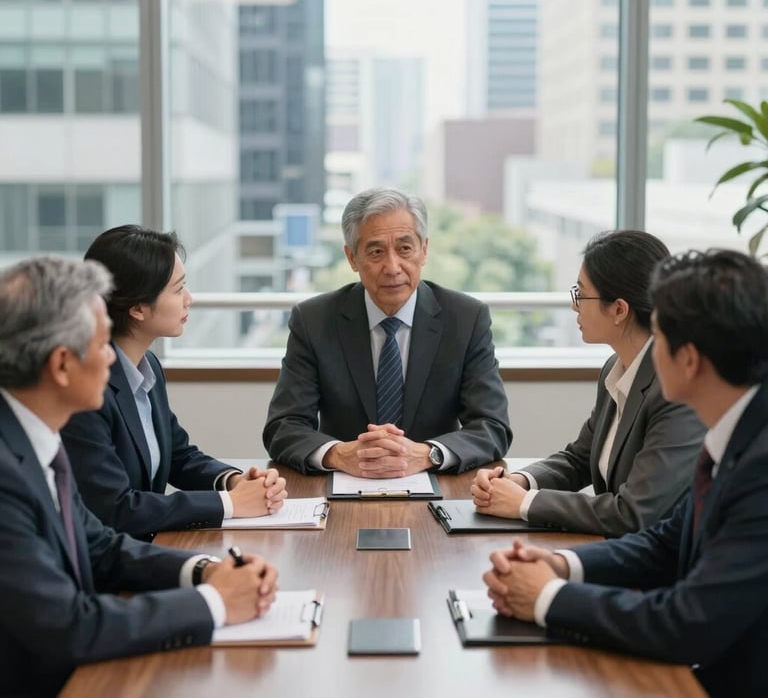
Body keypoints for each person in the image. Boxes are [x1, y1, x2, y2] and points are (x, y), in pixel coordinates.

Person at [482, 249, 768, 698]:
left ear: (689, 360)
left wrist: (548, 597)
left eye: (659, 333)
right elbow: (666, 542)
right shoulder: (735, 431)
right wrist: (562, 565)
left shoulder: (760, 467)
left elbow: (688, 622)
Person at [0, 255, 279, 698]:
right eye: (102, 344)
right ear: (61, 365)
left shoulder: (35, 436)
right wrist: (215, 602)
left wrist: (206, 572)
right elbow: (69, 626)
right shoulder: (7, 474)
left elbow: (100, 547)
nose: (112, 358)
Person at [263, 186, 512, 478]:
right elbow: (284, 426)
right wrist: (339, 454)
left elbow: (491, 426)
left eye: (405, 249)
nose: (393, 267)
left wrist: (427, 454)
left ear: (424, 250)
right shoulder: (314, 320)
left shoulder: (465, 318)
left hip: (436, 484)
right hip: (344, 483)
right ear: (352, 258)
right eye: (376, 252)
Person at [471, 230, 705, 536]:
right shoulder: (616, 368)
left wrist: (525, 503)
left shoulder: (674, 390)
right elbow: (579, 459)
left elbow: (634, 513)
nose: (574, 306)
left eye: (581, 294)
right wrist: (520, 482)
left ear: (619, 309)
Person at [61, 225, 287, 541]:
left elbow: (178, 456)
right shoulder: (86, 391)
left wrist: (234, 482)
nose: (189, 299)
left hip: (145, 546)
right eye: (178, 289)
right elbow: (115, 508)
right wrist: (230, 504)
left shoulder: (147, 365)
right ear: (138, 308)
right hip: (110, 557)